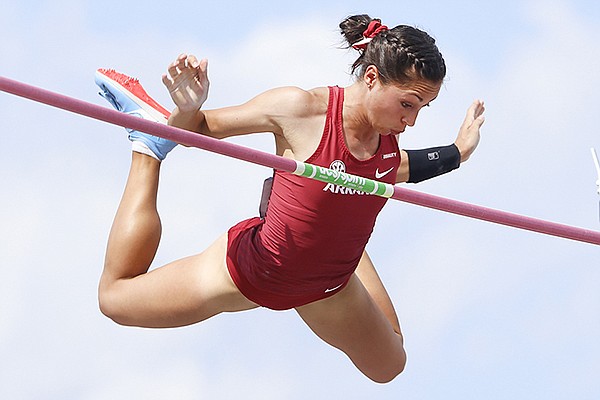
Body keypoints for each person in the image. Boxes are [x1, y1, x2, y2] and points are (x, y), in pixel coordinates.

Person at [95, 14, 485, 383]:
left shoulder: (386, 143)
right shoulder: (301, 109)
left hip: (329, 287)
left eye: (422, 108)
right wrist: (187, 108)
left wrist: (458, 153)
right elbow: (193, 130)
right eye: (407, 104)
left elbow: (395, 168)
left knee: (389, 365)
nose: (412, 120)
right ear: (371, 78)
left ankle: (333, 231)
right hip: (252, 271)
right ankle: (146, 148)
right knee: (115, 299)